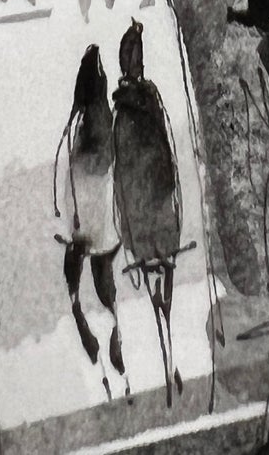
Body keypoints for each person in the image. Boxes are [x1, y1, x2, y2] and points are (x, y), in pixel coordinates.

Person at [112, 21, 183, 403]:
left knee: (161, 269)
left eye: (135, 55)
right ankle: (166, 350)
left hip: (151, 202)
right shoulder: (130, 108)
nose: (135, 62)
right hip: (149, 202)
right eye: (133, 56)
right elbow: (137, 161)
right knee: (160, 270)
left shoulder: (131, 106)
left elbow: (158, 151)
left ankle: (168, 348)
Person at [54, 45, 128, 399]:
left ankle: (101, 335)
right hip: (93, 211)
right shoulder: (93, 114)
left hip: (92, 208)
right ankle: (106, 339)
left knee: (88, 266)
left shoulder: (93, 114)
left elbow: (95, 160)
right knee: (97, 273)